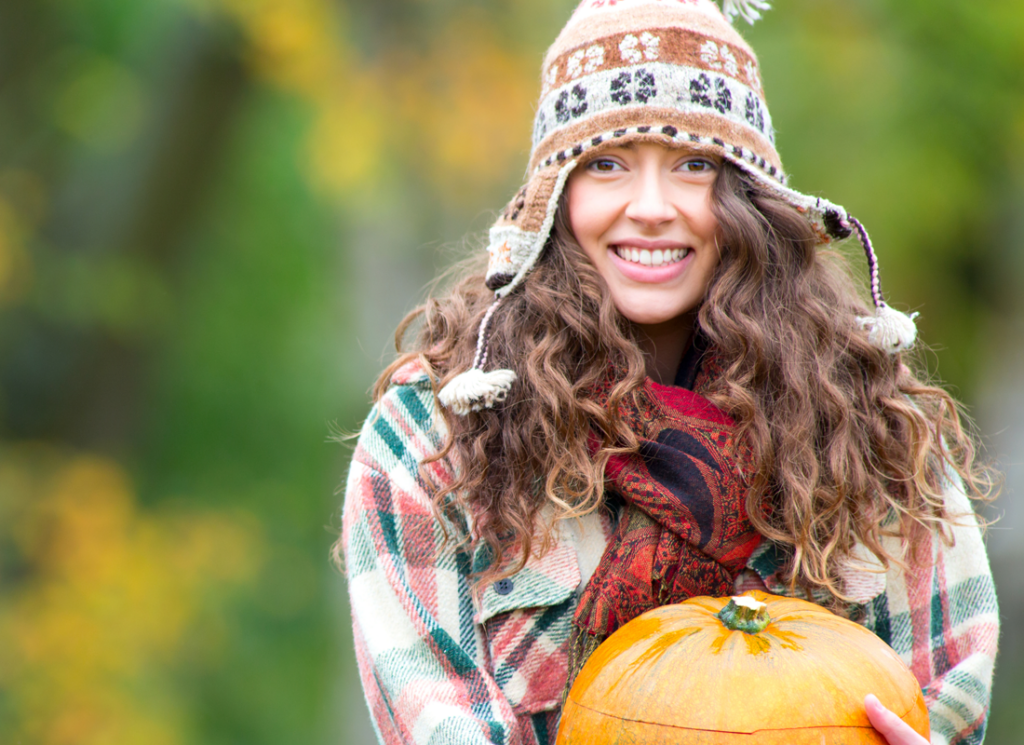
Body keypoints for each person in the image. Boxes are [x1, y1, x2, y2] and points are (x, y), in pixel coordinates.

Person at [336, 2, 999, 744]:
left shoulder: (867, 421)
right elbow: (440, 722)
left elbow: (948, 694)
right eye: (607, 164)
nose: (651, 208)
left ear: (751, 199)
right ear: (554, 199)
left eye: (694, 166)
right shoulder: (437, 436)